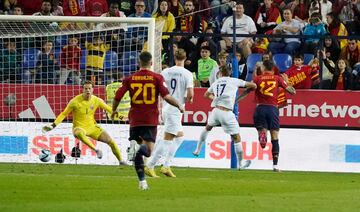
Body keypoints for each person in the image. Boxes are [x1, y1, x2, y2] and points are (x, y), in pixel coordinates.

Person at [111, 51, 184, 190]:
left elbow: (118, 96)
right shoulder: (156, 77)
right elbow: (166, 96)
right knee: (148, 151)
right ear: (151, 63)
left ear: (139, 63)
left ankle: (142, 182)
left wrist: (114, 110)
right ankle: (138, 153)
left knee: (141, 147)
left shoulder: (130, 78)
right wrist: (179, 105)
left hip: (134, 119)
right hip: (149, 119)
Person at [42, 80, 126, 165]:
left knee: (111, 141)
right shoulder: (74, 101)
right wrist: (53, 125)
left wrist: (122, 117)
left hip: (92, 127)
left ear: (93, 89)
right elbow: (64, 114)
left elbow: (110, 110)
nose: (88, 90)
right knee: (79, 133)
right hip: (79, 127)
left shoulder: (97, 100)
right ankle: (96, 150)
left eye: (89, 88)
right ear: (82, 89)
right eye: (86, 88)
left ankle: (121, 161)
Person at [192, 66, 257, 170]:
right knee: (236, 137)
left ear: (220, 73)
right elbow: (253, 85)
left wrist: (216, 98)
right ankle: (241, 163)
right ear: (230, 73)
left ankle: (197, 150)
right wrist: (248, 90)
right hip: (226, 112)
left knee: (207, 128)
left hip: (216, 110)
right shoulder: (234, 81)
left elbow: (206, 94)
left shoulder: (216, 82)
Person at [238, 60, 296, 172]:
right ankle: (275, 166)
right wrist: (287, 82)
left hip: (260, 108)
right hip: (273, 109)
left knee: (262, 130)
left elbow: (246, 92)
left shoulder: (257, 79)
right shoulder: (278, 78)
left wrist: (236, 101)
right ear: (273, 69)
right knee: (275, 137)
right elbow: (292, 92)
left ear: (263, 68)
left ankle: (262, 134)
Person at [145, 49, 194, 178]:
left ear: (174, 57)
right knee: (168, 138)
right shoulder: (188, 74)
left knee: (179, 137)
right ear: (185, 58)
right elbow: (190, 94)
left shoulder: (165, 71)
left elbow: (157, 87)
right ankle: (150, 165)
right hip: (175, 109)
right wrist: (189, 99)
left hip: (166, 107)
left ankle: (166, 165)